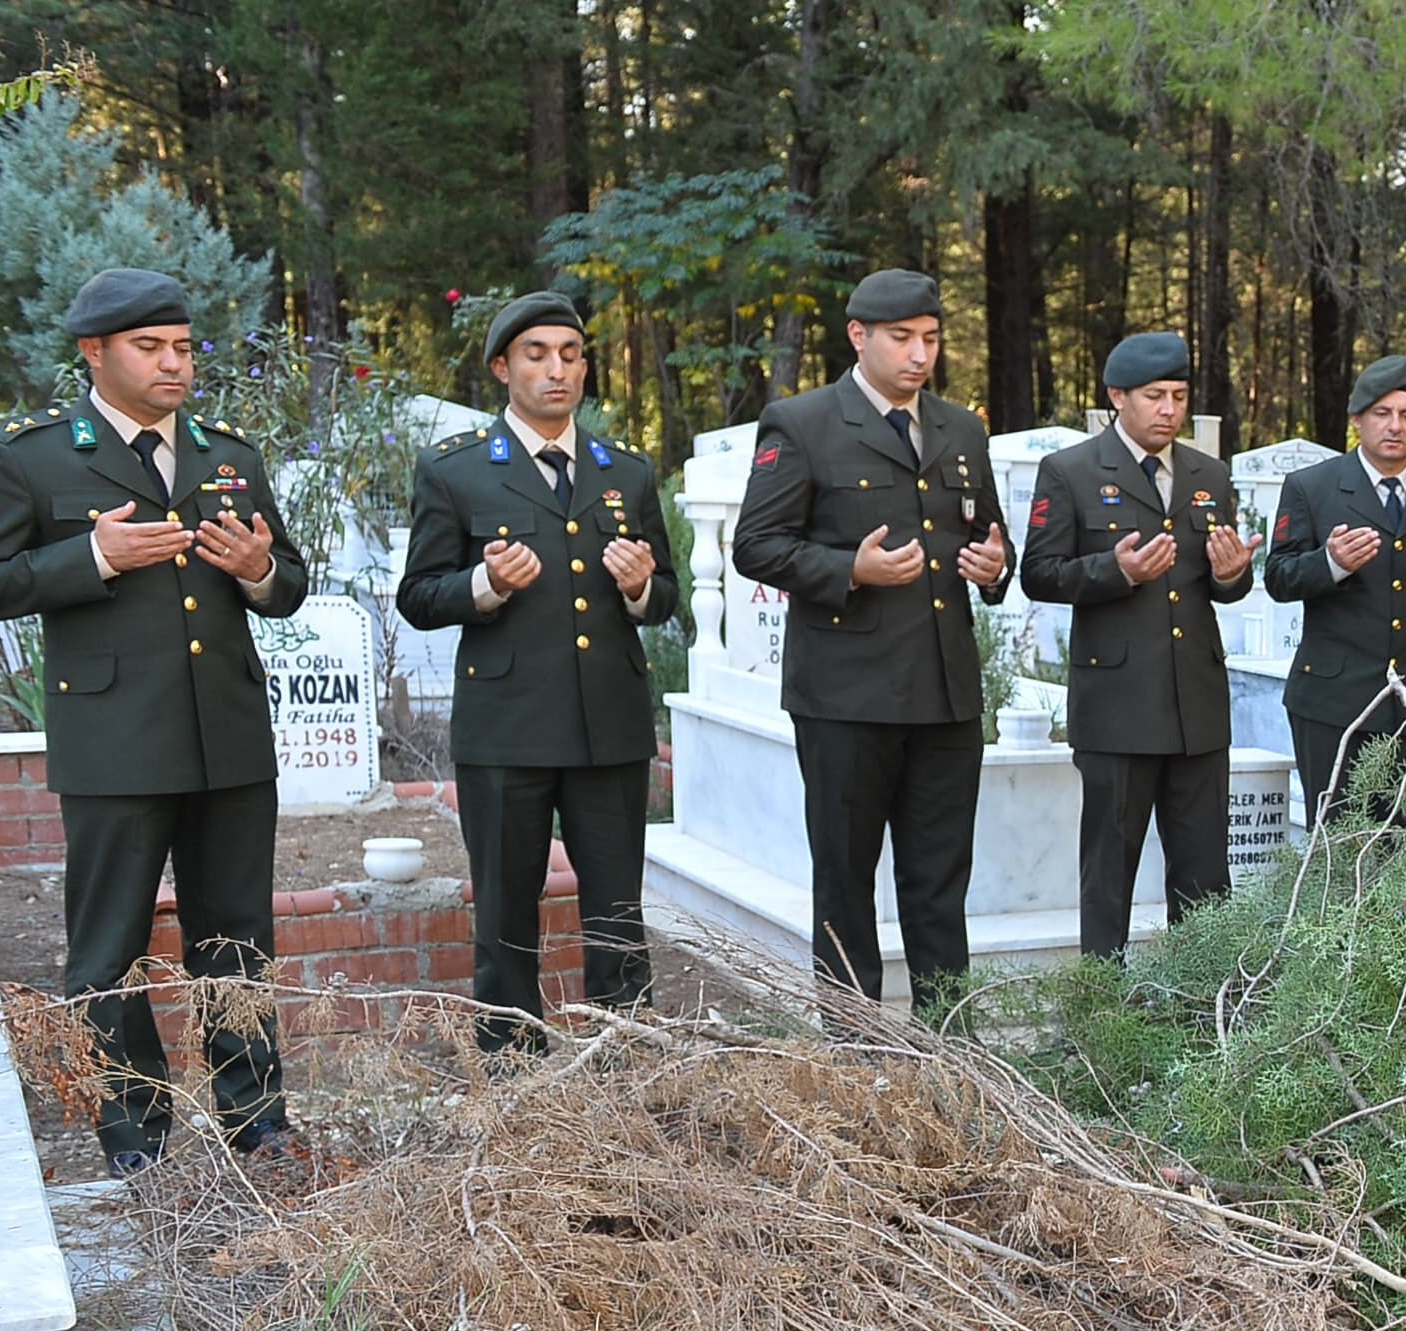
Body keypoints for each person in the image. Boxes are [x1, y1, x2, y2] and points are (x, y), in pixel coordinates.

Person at [0, 268, 309, 1172]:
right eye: (150, 347)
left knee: (236, 940)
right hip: (113, 743)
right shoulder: (29, 457)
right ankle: (135, 1137)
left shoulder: (229, 454)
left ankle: (256, 1122)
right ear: (93, 353)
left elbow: (287, 585)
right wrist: (92, 556)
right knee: (107, 949)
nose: (174, 364)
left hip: (226, 737)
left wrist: (259, 569)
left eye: (183, 347)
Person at [396, 291, 681, 1054]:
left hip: (608, 727)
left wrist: (639, 585)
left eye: (570, 354)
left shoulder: (625, 471)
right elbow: (418, 596)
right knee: (506, 915)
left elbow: (666, 596)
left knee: (618, 912)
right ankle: (516, 1080)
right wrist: (484, 586)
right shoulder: (456, 472)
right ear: (502, 367)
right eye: (537, 354)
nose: (557, 370)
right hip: (508, 729)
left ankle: (625, 1066)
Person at [730, 268, 1013, 1010]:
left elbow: (986, 536)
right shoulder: (803, 423)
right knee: (846, 878)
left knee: (940, 878)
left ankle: (949, 1036)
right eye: (902, 339)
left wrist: (993, 567)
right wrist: (847, 568)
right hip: (846, 694)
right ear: (859, 337)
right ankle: (856, 1048)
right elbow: (756, 546)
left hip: (945, 691)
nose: (919, 356)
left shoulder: (961, 428)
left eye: (930, 339)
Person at [1018, 330, 1250, 957]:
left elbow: (1221, 583)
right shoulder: (1071, 471)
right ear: (1117, 397)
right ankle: (1102, 1011)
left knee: (1205, 877)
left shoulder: (1209, 474)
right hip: (1118, 706)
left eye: (1178, 396)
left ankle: (1204, 1010)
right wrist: (1115, 572)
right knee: (1109, 873)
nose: (1169, 410)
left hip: (1195, 707)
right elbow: (1038, 572)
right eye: (1154, 396)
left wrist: (1232, 574)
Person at [1263, 355, 1406, 819]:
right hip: (1332, 701)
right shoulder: (1312, 487)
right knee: (1340, 846)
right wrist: (1331, 563)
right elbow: (1279, 578)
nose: (1394, 427)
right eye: (1382, 414)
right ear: (1357, 418)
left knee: (1402, 844)